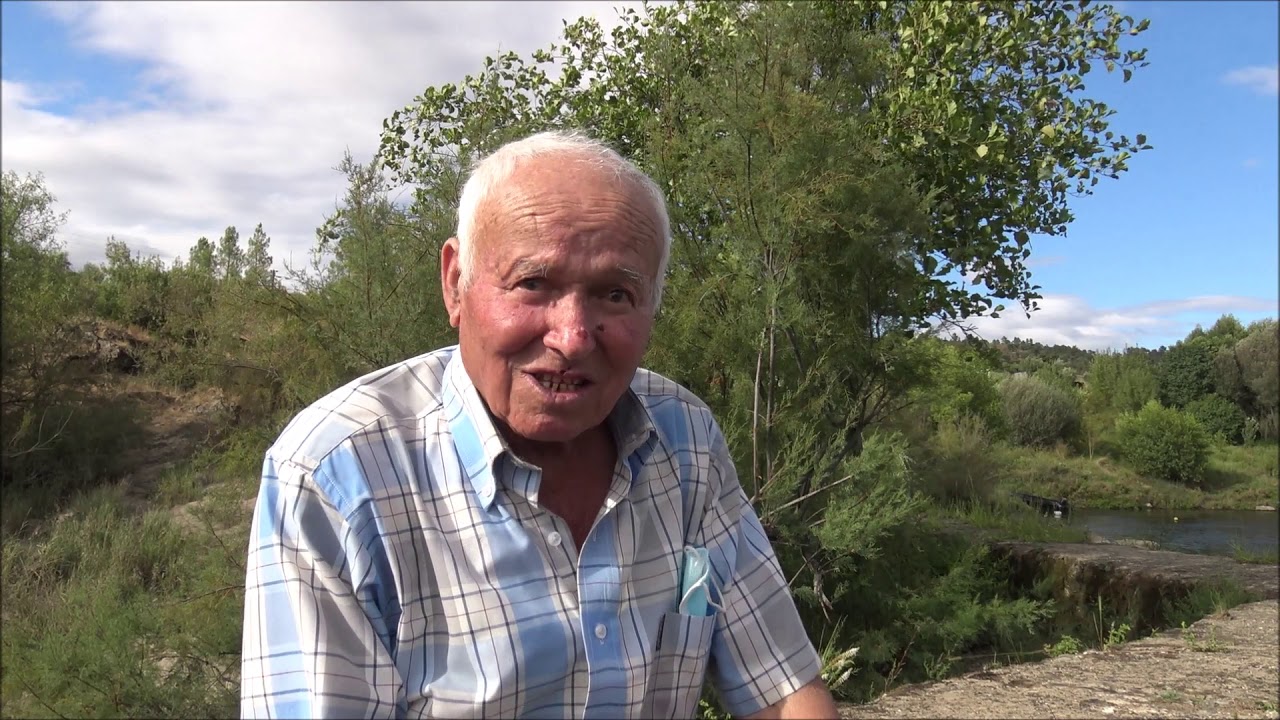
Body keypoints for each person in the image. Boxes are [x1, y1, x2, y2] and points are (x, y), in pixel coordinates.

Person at [240, 130, 838, 719]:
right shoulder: (337, 475)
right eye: (533, 283)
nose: (573, 338)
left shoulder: (686, 441)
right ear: (456, 284)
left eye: (615, 294)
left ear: (653, 304)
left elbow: (780, 686)